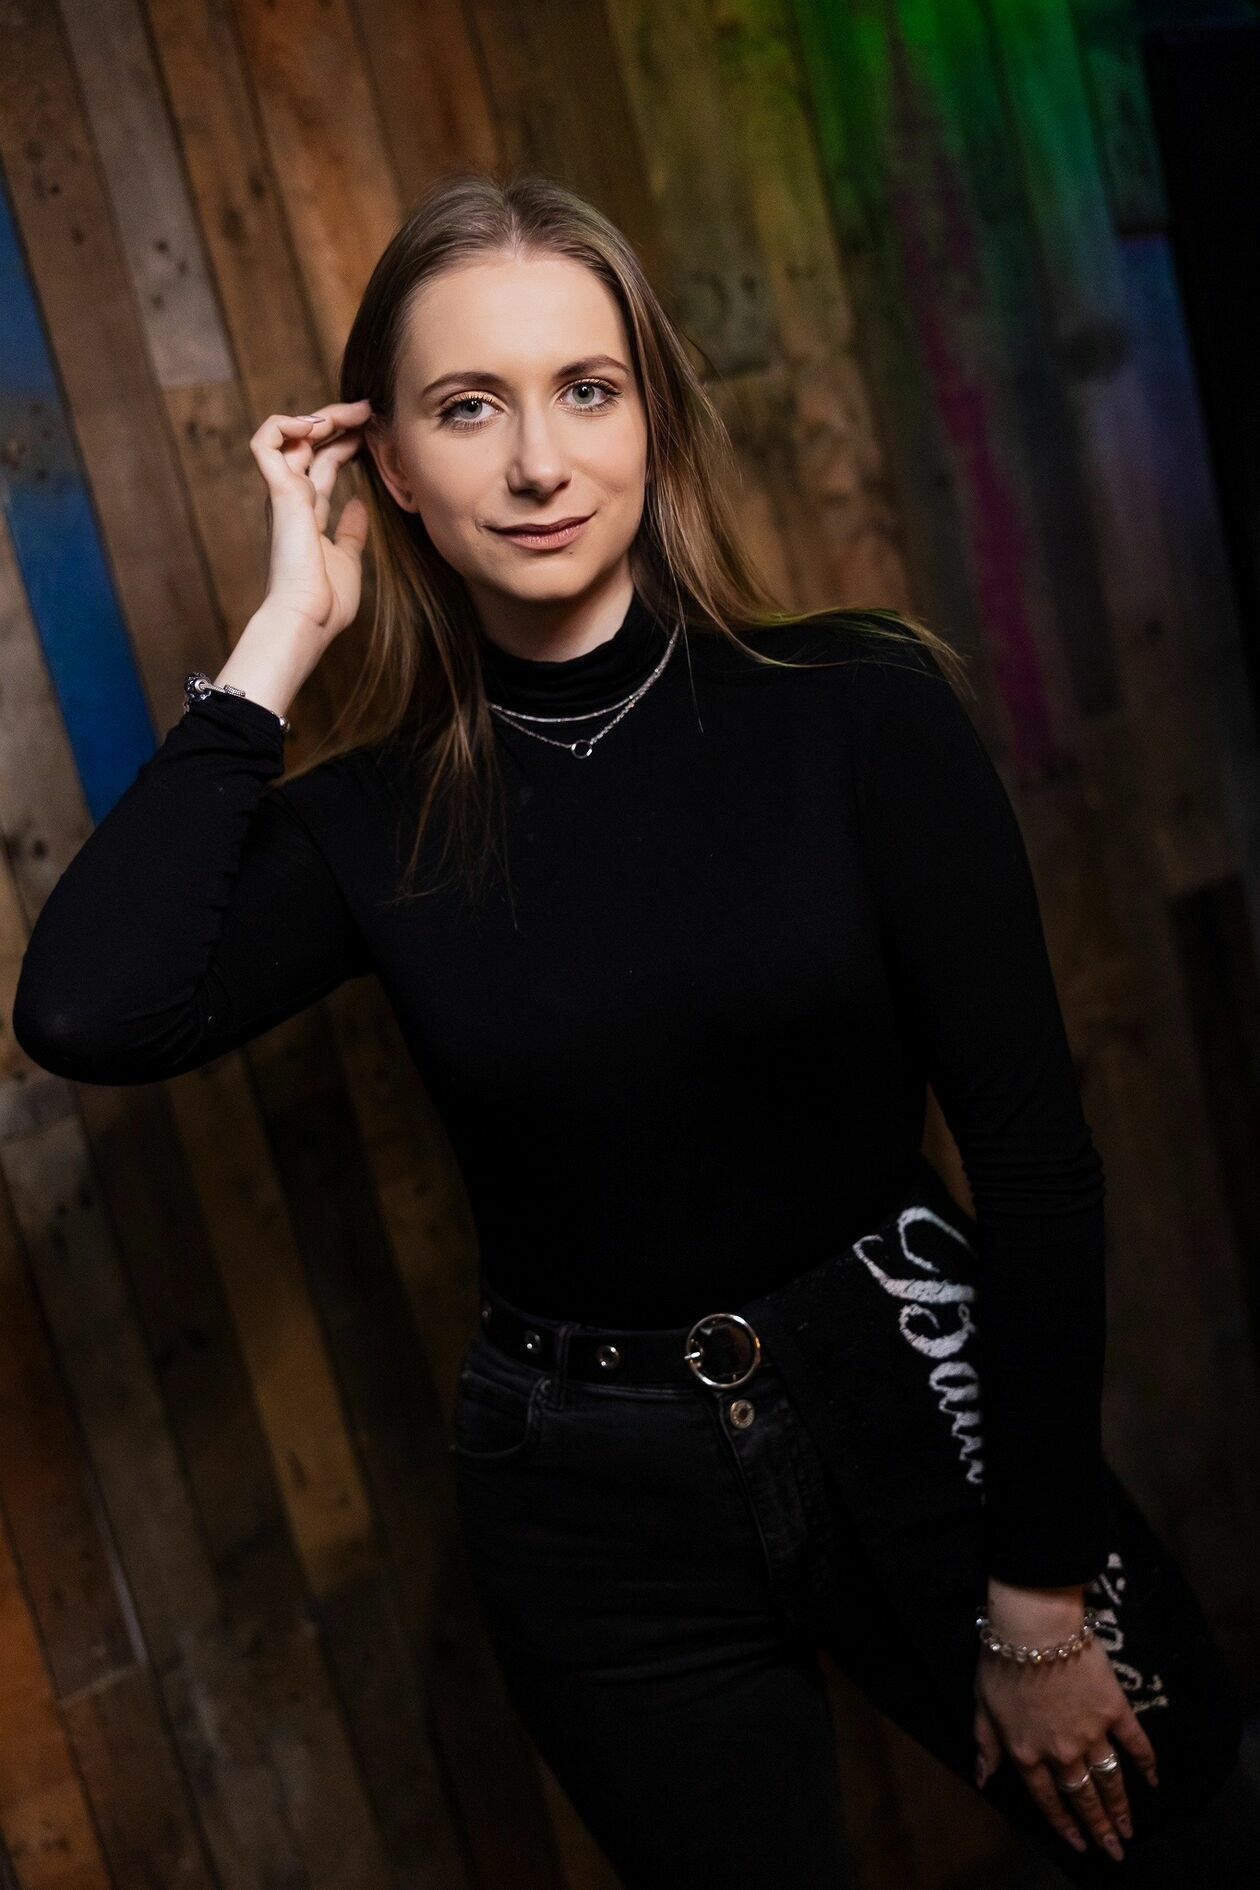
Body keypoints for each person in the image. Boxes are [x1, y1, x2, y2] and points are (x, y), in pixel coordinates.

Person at [13, 172, 1259, 1887]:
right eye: (470, 406)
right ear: (391, 464)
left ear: (651, 417)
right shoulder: (374, 822)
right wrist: (285, 631)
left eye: (586, 390)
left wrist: (1039, 1588)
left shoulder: (858, 709)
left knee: (1189, 1837)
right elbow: (88, 1005)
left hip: (910, 1384)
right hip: (585, 1489)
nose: (540, 461)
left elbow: (1037, 1160)